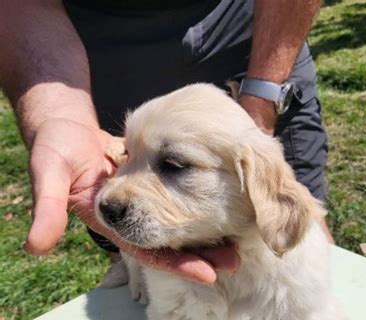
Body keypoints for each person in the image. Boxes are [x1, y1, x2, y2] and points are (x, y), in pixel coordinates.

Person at [0, 0, 331, 286]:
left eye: (174, 165)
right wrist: (60, 114)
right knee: (144, 262)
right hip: (96, 50)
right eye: (126, 151)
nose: (111, 196)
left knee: (299, 241)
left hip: (256, 36)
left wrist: (261, 101)